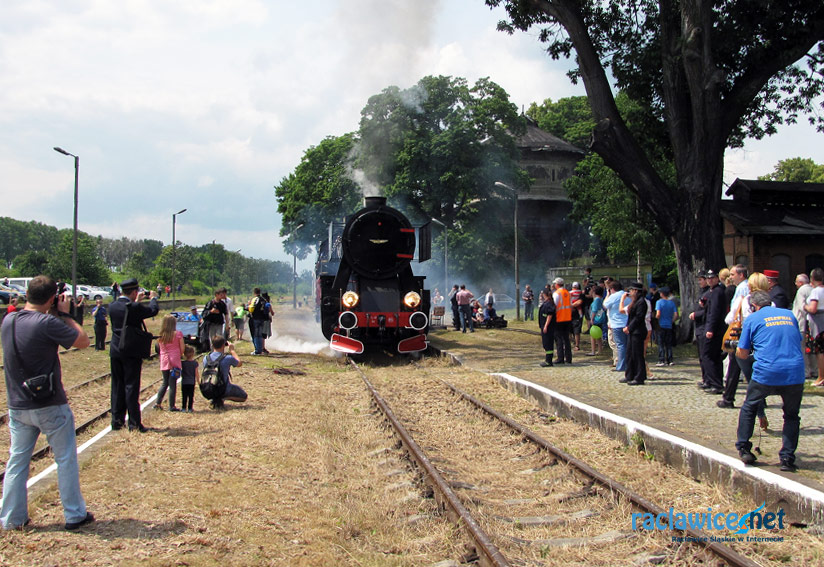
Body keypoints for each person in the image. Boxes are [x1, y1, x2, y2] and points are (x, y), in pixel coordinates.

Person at [0, 275, 94, 530]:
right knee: (65, 458)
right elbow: (83, 341)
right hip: (49, 403)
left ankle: (11, 518)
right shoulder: (46, 322)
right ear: (52, 299)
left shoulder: (8, 320)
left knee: (17, 461)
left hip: (18, 405)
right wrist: (65, 314)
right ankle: (74, 514)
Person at [735, 291, 805, 471]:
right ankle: (787, 458)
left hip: (767, 372)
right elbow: (798, 340)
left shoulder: (752, 319)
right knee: (791, 415)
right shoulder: (789, 315)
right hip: (794, 372)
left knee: (750, 406)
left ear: (753, 306)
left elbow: (742, 353)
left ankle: (744, 448)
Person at [109, 278, 159, 432]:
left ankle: (117, 420)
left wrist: (136, 301)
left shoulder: (112, 306)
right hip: (130, 349)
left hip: (116, 348)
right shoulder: (134, 307)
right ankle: (134, 423)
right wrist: (153, 299)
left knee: (117, 385)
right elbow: (152, 310)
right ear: (135, 292)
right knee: (131, 386)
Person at [203, 336, 247, 410]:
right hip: (223, 388)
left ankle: (215, 398)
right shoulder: (227, 358)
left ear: (212, 345)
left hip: (208, 388)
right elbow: (239, 363)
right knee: (243, 396)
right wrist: (232, 351)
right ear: (224, 345)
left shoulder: (206, 358)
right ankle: (222, 397)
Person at [701, 270, 727, 394]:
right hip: (716, 328)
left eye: (712, 278)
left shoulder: (717, 292)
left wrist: (710, 329)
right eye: (708, 278)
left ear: (717, 278)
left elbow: (714, 312)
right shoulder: (714, 291)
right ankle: (716, 382)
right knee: (715, 356)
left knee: (707, 355)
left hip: (714, 329)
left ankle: (715, 382)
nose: (710, 280)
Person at [154, 314, 184, 411]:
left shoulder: (161, 336)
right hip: (175, 359)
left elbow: (159, 349)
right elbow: (182, 348)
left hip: (164, 359)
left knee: (165, 382)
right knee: (173, 383)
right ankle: (172, 406)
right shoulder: (178, 334)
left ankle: (158, 403)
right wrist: (180, 354)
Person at [621, 282, 648, 385]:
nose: (630, 292)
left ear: (636, 291)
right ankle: (630, 375)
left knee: (637, 354)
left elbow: (638, 318)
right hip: (633, 331)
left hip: (638, 331)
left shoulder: (641, 302)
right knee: (630, 354)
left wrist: (629, 327)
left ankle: (639, 377)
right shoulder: (635, 302)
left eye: (631, 290)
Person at [792, 273, 818, 380]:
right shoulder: (813, 289)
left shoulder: (801, 291)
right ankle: (815, 370)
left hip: (801, 323)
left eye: (796, 282)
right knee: (812, 348)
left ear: (801, 283)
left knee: (802, 348)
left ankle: (806, 371)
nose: (795, 284)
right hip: (813, 322)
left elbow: (801, 307)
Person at [804, 267, 824, 387]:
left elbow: (813, 308)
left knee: (820, 351)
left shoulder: (816, 291)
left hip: (818, 324)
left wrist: (805, 306)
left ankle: (821, 377)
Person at [603, 281, 628, 371]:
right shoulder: (627, 295)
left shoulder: (614, 296)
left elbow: (604, 305)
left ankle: (621, 366)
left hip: (617, 323)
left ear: (612, 289)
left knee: (620, 345)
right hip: (627, 323)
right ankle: (628, 364)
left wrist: (607, 295)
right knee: (627, 345)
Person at [655, 287, 678, 365]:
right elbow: (676, 314)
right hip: (669, 325)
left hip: (661, 324)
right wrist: (671, 321)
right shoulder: (671, 303)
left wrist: (656, 320)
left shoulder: (659, 302)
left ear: (662, 294)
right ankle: (670, 359)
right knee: (668, 344)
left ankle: (661, 359)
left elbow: (658, 314)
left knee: (661, 343)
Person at [552, 277, 573, 364]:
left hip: (559, 318)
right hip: (567, 318)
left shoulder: (557, 293)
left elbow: (554, 306)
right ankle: (568, 358)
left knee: (559, 339)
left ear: (556, 284)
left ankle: (560, 358)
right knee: (566, 339)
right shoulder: (567, 293)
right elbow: (570, 305)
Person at [538, 290, 556, 367]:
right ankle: (548, 360)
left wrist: (545, 326)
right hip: (545, 326)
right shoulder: (547, 303)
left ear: (545, 295)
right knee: (546, 344)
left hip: (548, 327)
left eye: (542, 295)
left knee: (548, 343)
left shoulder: (549, 304)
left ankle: (549, 361)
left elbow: (549, 315)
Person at [248, 288, 268, 355]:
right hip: (263, 319)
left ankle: (257, 350)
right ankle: (260, 349)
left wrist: (248, 306)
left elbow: (251, 309)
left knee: (256, 335)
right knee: (260, 335)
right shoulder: (264, 300)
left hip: (256, 318)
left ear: (254, 293)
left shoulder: (255, 299)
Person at [180, 345, 199, 413]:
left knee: (184, 395)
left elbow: (180, 372)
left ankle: (183, 408)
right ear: (193, 353)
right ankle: (190, 408)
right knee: (191, 396)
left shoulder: (182, 363)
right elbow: (196, 373)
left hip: (184, 382)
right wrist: (198, 381)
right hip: (191, 382)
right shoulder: (195, 363)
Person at [587, 285, 605, 356]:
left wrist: (592, 318)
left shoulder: (596, 300)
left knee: (593, 335)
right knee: (598, 335)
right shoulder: (601, 299)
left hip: (595, 319)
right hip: (600, 318)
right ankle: (600, 349)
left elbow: (594, 310)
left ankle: (593, 351)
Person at [570, 282, 583, 351]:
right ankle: (568, 344)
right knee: (569, 330)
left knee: (576, 331)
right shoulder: (571, 293)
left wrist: (571, 306)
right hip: (570, 314)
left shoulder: (580, 294)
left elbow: (580, 302)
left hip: (576, 315)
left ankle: (577, 345)